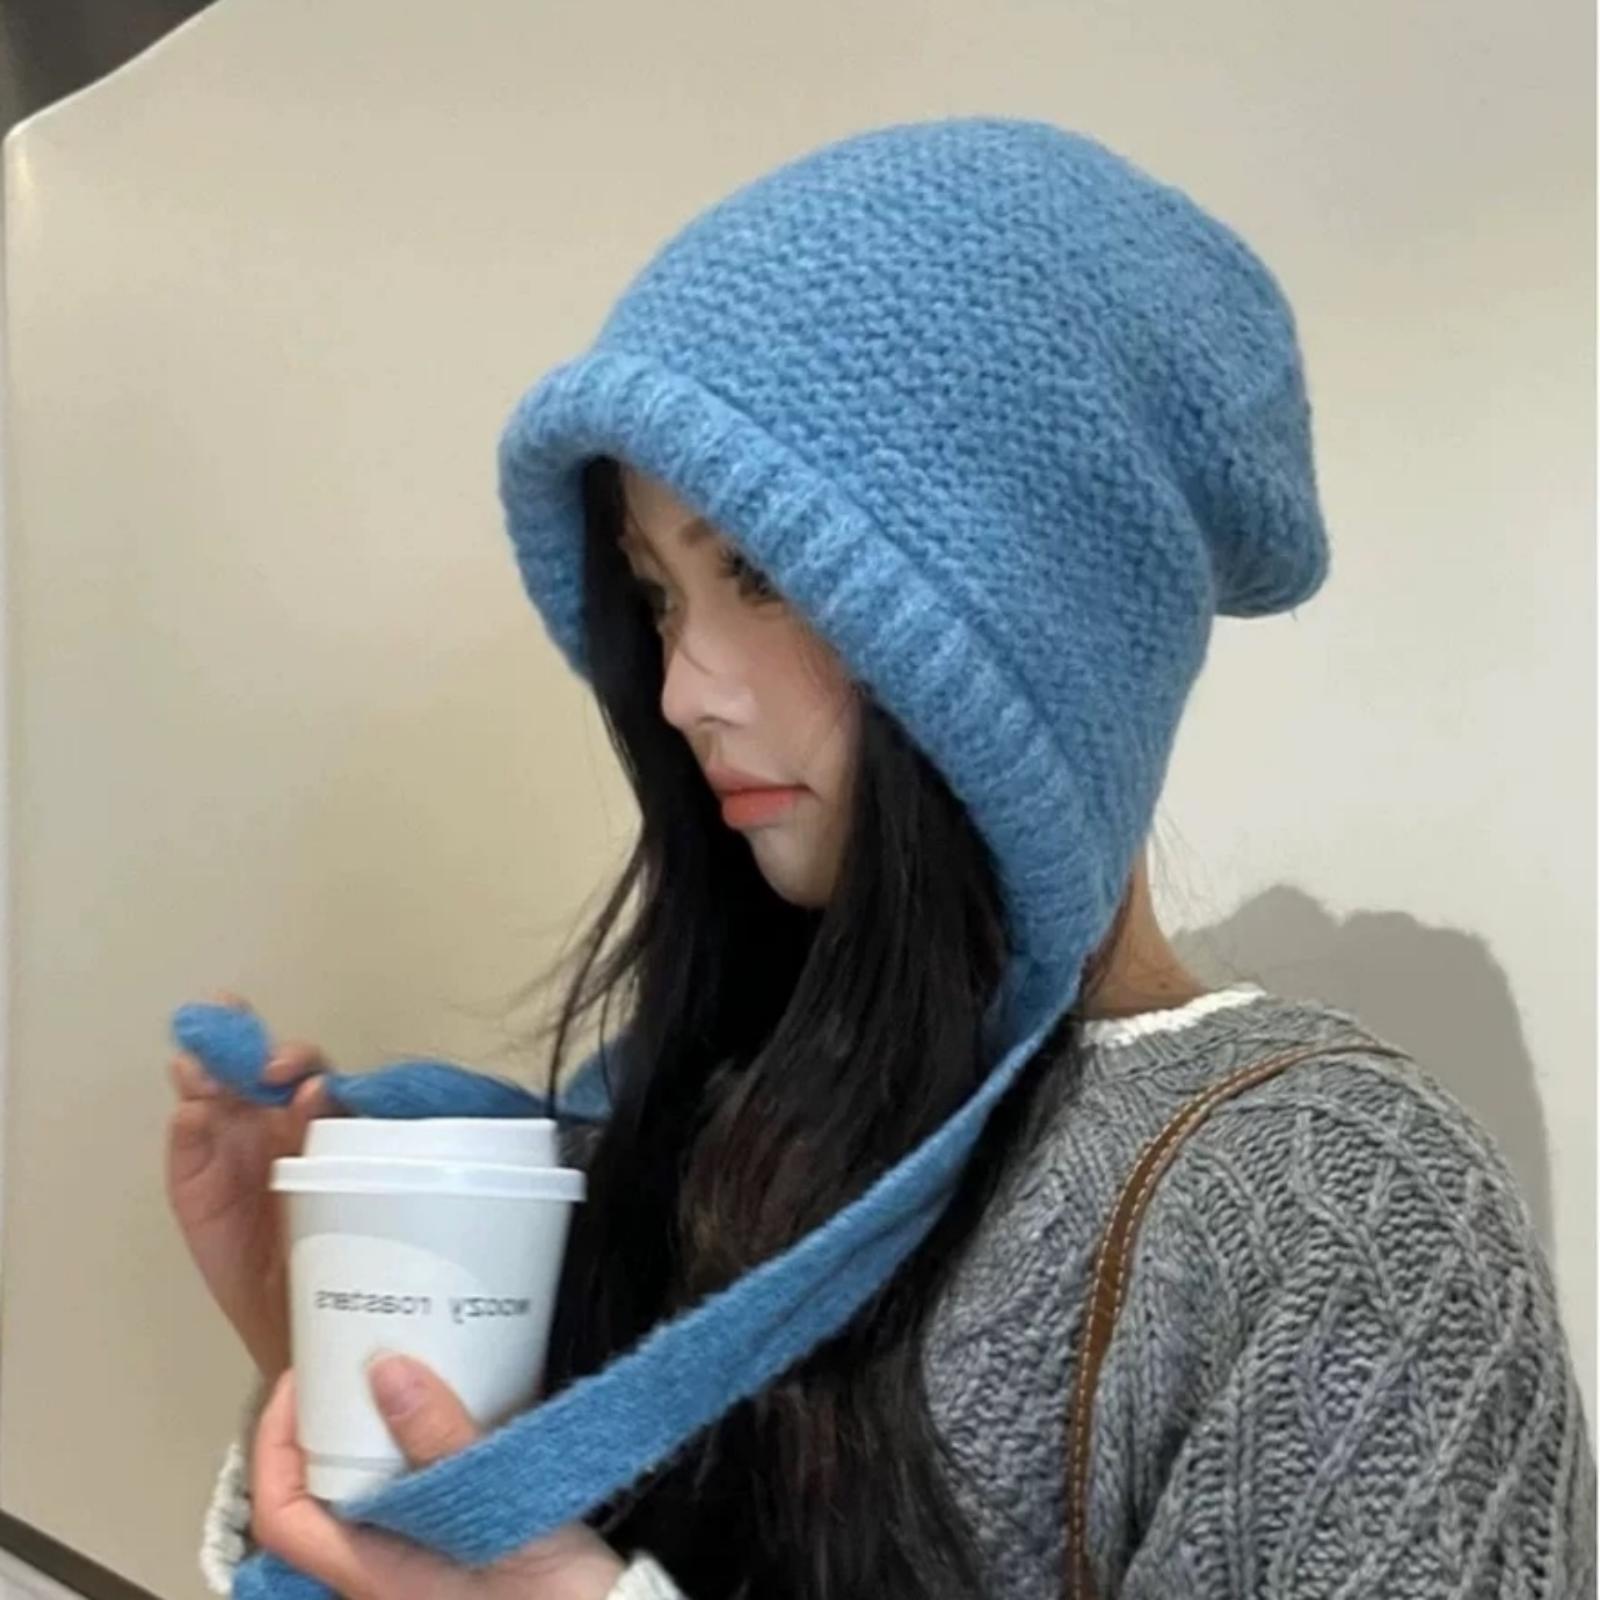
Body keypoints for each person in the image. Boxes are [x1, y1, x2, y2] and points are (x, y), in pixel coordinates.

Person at [166, 116, 1596, 1599]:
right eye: (658, 594)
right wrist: (338, 1362)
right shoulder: (715, 1114)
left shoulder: (1332, 1209)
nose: (681, 691)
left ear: (1034, 620)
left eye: (759, 573)